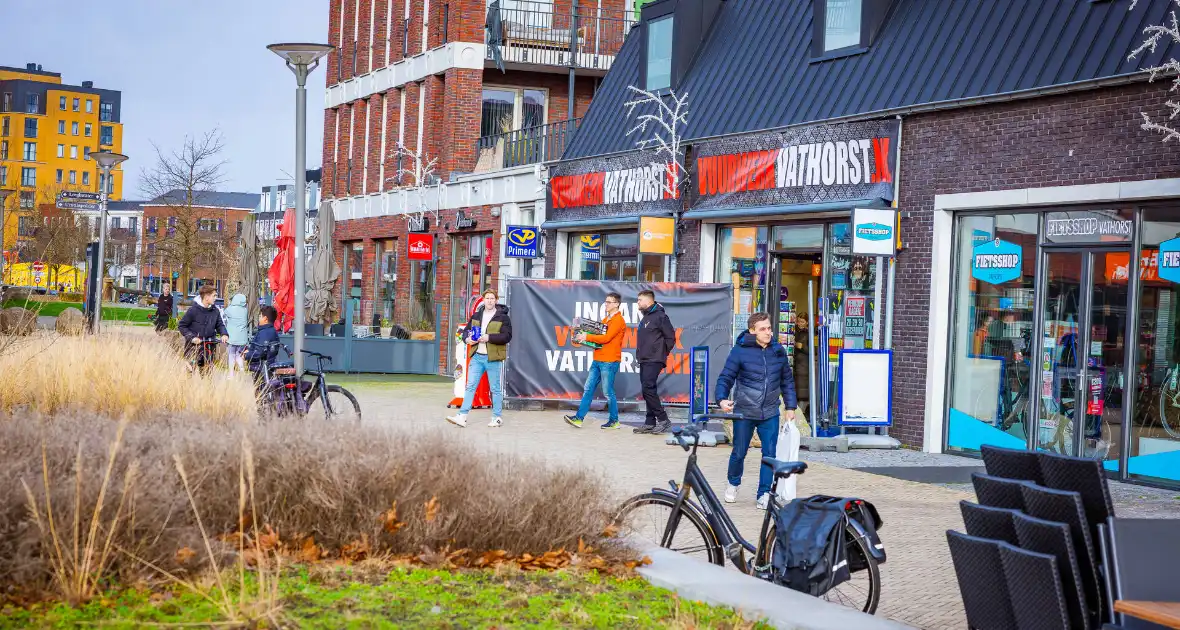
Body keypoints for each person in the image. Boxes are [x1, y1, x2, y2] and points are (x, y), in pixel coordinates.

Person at [715, 312, 797, 510]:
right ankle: (733, 483)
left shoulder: (778, 351)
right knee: (739, 452)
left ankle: (764, 494)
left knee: (770, 454)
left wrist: (791, 406)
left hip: (770, 411)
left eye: (769, 328)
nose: (768, 332)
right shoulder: (740, 351)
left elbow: (787, 380)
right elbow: (725, 377)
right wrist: (721, 399)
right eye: (763, 329)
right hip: (744, 411)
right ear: (752, 331)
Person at [446, 289, 512, 428]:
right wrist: (467, 339)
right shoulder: (477, 316)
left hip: (493, 358)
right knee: (470, 387)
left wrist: (489, 337)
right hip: (477, 357)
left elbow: (507, 336)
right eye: (487, 298)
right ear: (483, 300)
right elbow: (465, 333)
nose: (489, 301)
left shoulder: (503, 317)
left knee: (495, 389)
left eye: (492, 298)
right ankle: (462, 416)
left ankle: (497, 417)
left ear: (496, 300)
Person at [564, 292, 627, 429]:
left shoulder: (618, 320)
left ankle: (614, 421)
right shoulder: (605, 320)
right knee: (588, 389)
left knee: (608, 392)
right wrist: (579, 334)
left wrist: (586, 336)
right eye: (606, 302)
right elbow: (596, 339)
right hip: (598, 359)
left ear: (616, 304)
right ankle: (579, 418)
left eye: (609, 302)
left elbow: (605, 338)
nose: (606, 304)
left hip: (609, 361)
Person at [633, 289, 676, 434]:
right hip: (645, 359)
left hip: (654, 359)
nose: (637, 302)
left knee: (648, 388)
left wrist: (661, 352)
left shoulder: (660, 316)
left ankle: (663, 420)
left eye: (640, 300)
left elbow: (671, 337)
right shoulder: (646, 317)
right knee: (647, 390)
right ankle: (649, 422)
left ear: (648, 301)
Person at [178, 285, 228, 369]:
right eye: (214, 295)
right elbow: (182, 326)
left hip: (209, 348)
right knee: (190, 374)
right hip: (193, 348)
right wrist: (192, 338)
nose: (215, 298)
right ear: (206, 297)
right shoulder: (193, 310)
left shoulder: (215, 311)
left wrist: (224, 334)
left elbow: (220, 325)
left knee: (207, 376)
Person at [223, 293, 250, 376]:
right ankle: (241, 369)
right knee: (239, 354)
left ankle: (231, 373)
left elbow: (224, 313)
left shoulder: (230, 309)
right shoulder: (245, 310)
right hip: (242, 338)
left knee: (231, 354)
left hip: (232, 338)